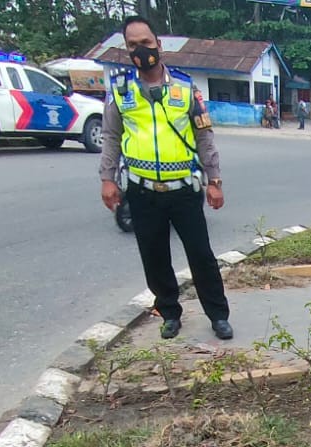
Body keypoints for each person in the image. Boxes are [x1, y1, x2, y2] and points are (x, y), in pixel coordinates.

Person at [98, 15, 233, 341]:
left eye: (146, 43)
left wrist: (214, 181)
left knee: (201, 256)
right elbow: (111, 137)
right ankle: (170, 312)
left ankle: (218, 315)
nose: (141, 50)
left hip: (183, 190)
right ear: (127, 50)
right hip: (143, 192)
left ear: (158, 45)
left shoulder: (186, 89)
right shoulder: (120, 91)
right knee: (155, 257)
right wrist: (107, 178)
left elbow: (204, 137)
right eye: (133, 45)